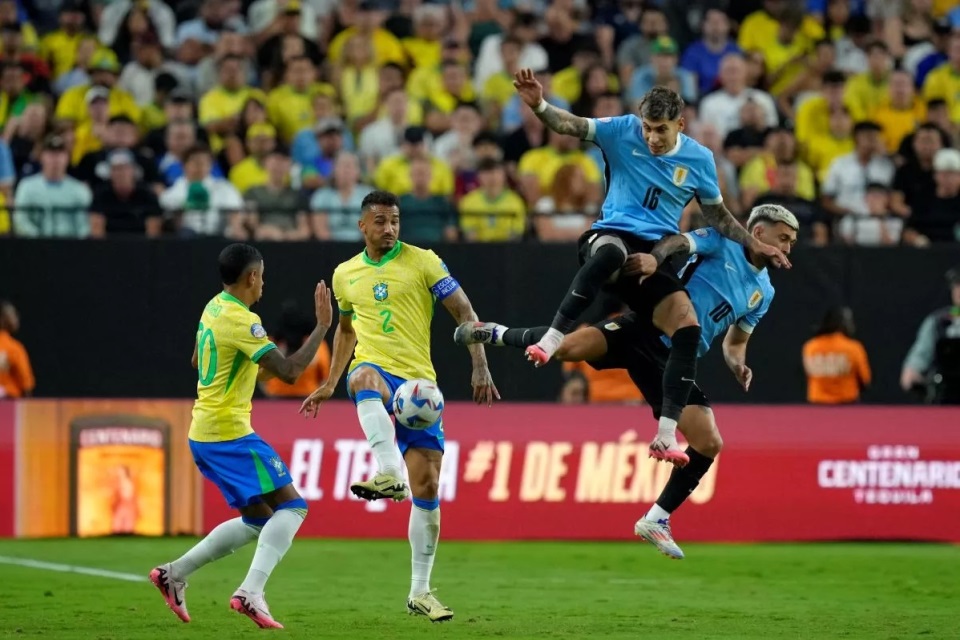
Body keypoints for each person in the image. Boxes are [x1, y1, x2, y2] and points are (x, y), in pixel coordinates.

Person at [454, 204, 799, 559]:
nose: (788, 248)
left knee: (709, 442)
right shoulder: (722, 242)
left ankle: (656, 519)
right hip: (647, 326)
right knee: (569, 346)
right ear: (759, 233)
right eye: (784, 238)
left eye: (791, 242)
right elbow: (678, 242)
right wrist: (655, 258)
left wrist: (738, 364)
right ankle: (493, 333)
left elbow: (736, 342)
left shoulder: (765, 294)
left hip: (671, 361)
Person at [510, 68, 789, 466]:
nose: (652, 138)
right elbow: (569, 124)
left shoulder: (699, 159)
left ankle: (664, 435)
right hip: (609, 235)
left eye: (660, 129)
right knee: (610, 256)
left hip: (655, 251)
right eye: (648, 128)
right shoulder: (622, 130)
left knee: (688, 328)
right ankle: (553, 335)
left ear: (680, 124)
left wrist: (752, 240)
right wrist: (538, 103)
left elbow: (718, 217)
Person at [299, 190, 498, 623]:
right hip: (377, 368)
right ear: (362, 226)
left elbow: (463, 310)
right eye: (380, 221)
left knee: (426, 489)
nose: (389, 228)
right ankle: (388, 472)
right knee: (362, 376)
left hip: (421, 387)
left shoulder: (424, 260)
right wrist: (331, 382)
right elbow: (347, 332)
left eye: (395, 221)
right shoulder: (344, 274)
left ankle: (420, 592)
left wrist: (479, 364)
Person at [150, 243, 333, 629]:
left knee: (258, 519)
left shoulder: (213, 307)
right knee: (294, 507)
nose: (263, 283)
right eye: (262, 275)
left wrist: (251, 367)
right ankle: (251, 592)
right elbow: (289, 372)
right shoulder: (242, 320)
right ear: (251, 277)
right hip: (228, 433)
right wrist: (321, 327)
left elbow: (199, 361)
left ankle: (173, 573)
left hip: (204, 431)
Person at [900, 266, 960, 404]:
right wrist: (912, 370)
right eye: (956, 285)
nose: (959, 290)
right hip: (946, 390)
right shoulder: (939, 320)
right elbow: (920, 352)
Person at [802, 306, 872, 404]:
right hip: (847, 404)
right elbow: (865, 379)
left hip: (817, 404)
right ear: (843, 324)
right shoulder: (853, 348)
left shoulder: (810, 347)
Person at [0, 300, 34, 398]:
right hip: (8, 404)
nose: (16, 319)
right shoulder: (14, 348)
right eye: (12, 315)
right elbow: (26, 385)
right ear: (2, 319)